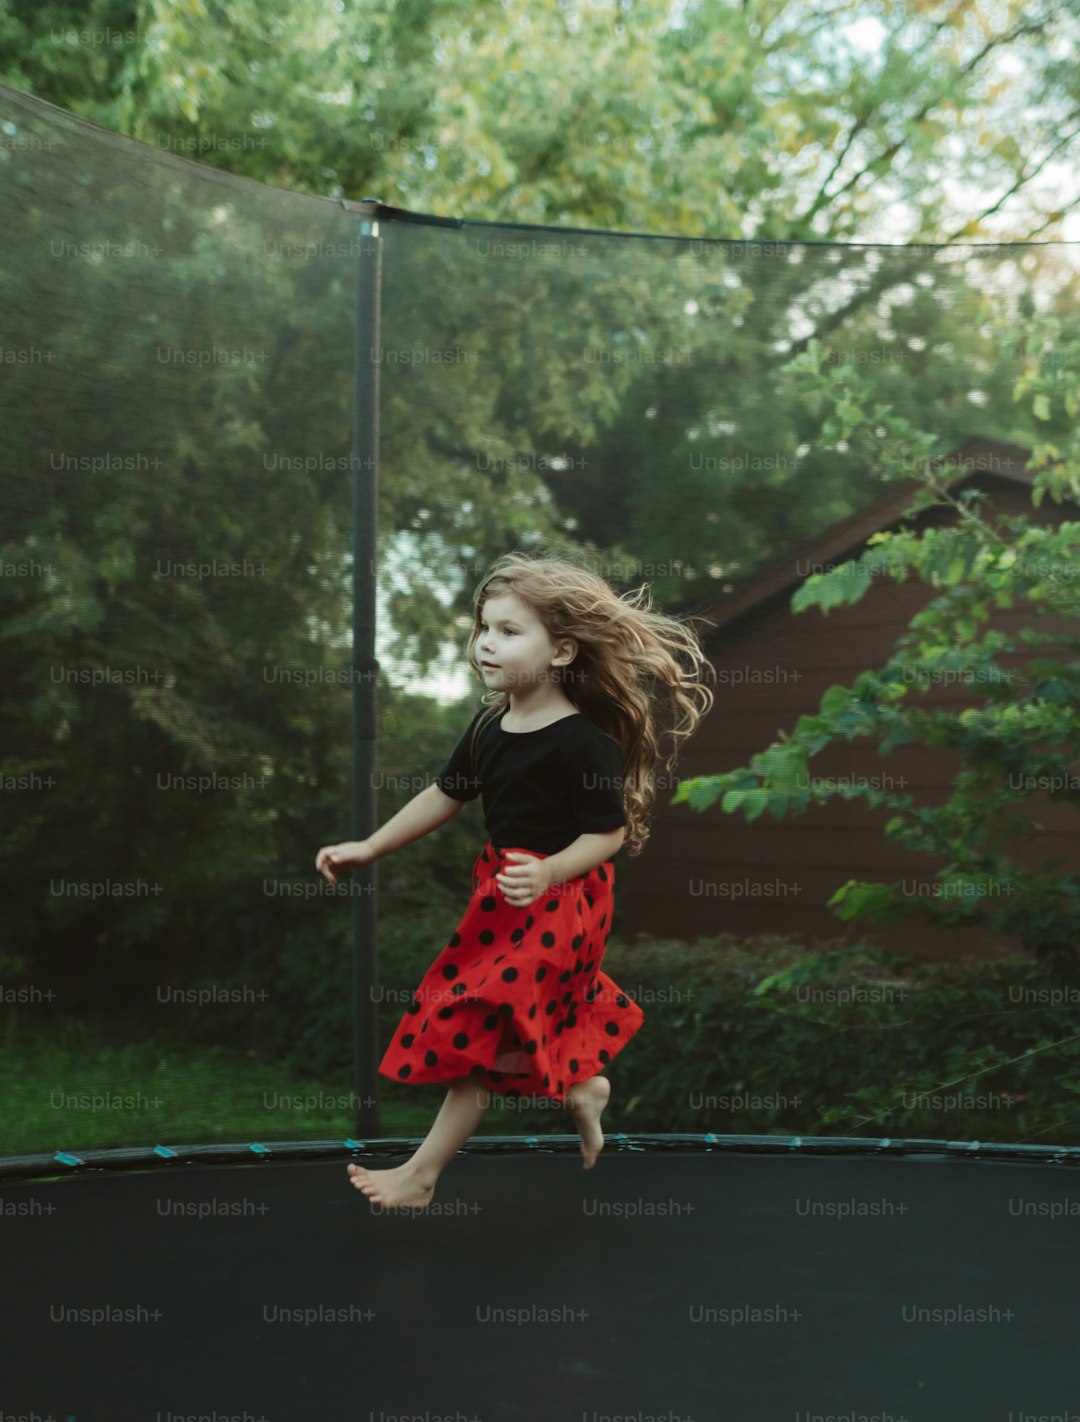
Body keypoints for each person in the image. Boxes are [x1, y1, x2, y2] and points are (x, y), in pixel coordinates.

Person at [315, 549, 714, 1209]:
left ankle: (420, 1175)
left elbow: (607, 833)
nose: (486, 644)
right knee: (507, 1018)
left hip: (565, 898)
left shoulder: (582, 742)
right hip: (500, 895)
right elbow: (444, 796)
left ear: (560, 652)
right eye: (484, 629)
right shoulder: (487, 727)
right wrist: (369, 846)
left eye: (508, 631)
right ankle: (584, 1086)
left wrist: (550, 870)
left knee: (481, 1021)